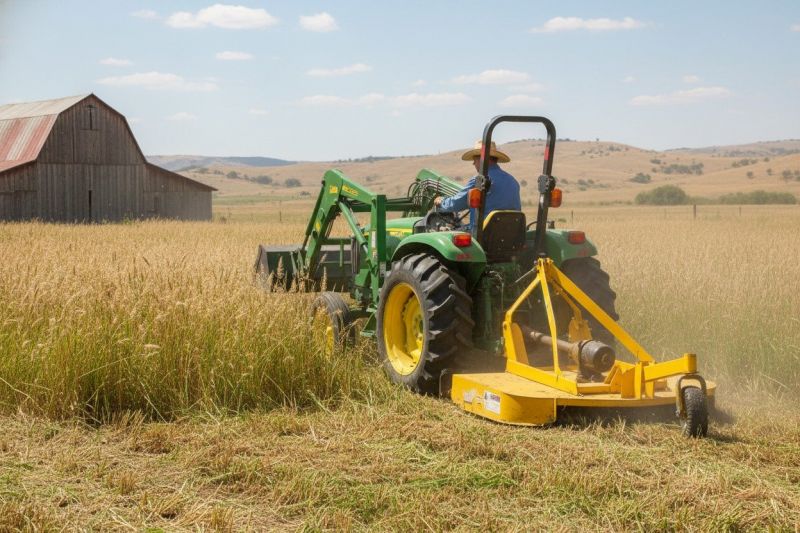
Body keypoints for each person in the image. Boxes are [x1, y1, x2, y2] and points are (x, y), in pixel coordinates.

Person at [434, 141, 521, 226]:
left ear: (481, 159)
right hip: (510, 233)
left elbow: (457, 204)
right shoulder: (513, 181)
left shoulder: (479, 180)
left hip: (483, 234)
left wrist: (442, 202)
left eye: (474, 160)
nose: (473, 163)